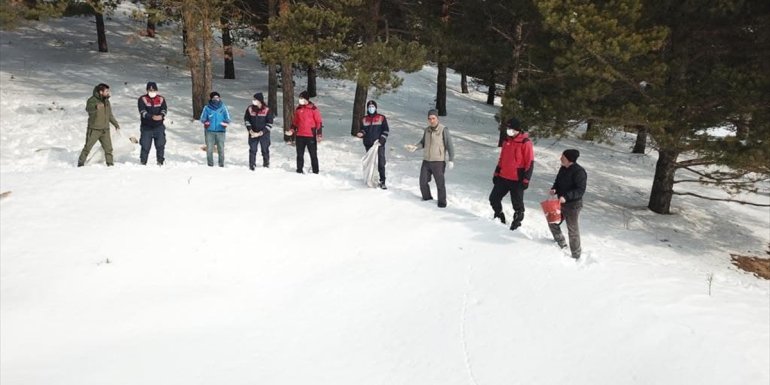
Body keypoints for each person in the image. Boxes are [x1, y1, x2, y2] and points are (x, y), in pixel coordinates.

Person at [489, 118, 534, 230]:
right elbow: (502, 159)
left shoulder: (525, 143)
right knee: (493, 199)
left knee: (517, 205)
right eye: (508, 128)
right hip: (503, 177)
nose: (509, 130)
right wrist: (496, 173)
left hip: (517, 180)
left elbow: (530, 162)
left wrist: (526, 179)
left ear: (517, 129)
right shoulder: (506, 141)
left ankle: (517, 222)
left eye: (511, 128)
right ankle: (499, 215)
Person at [405, 109, 455, 208]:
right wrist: (415, 147)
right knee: (422, 182)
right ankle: (427, 199)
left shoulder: (443, 130)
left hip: (438, 162)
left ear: (437, 118)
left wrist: (451, 159)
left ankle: (442, 203)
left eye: (433, 118)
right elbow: (423, 143)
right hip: (426, 161)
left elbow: (450, 145)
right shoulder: (426, 130)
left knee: (440, 184)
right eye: (429, 119)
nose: (431, 120)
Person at [548, 149, 587, 260]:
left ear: (569, 159)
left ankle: (576, 255)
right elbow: (557, 182)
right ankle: (561, 243)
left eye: (563, 157)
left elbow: (580, 190)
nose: (560, 158)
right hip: (560, 202)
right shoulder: (563, 168)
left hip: (573, 205)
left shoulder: (579, 172)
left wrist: (567, 197)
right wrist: (554, 189)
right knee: (552, 221)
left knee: (573, 231)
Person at [78, 83, 120, 167]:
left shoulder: (107, 101)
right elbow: (88, 109)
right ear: (101, 92)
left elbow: (109, 115)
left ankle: (110, 164)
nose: (108, 93)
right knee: (87, 148)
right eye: (106, 91)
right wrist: (95, 106)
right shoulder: (92, 100)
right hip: (94, 129)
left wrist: (115, 124)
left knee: (109, 149)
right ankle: (80, 163)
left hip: (105, 129)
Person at [286, 90, 323, 174]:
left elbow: (319, 122)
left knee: (313, 155)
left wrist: (319, 134)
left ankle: (315, 172)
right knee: (299, 155)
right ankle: (299, 170)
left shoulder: (313, 109)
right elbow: (295, 122)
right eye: (300, 98)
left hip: (310, 135)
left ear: (307, 99)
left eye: (302, 98)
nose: (300, 100)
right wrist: (291, 130)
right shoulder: (298, 109)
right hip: (300, 135)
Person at [356, 100, 390, 189]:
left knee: (381, 163)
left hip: (379, 144)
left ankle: (382, 181)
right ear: (367, 108)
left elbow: (386, 130)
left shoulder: (381, 118)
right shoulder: (364, 119)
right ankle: (371, 179)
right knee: (370, 163)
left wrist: (382, 140)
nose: (371, 108)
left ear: (375, 107)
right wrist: (361, 133)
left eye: (373, 106)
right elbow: (363, 130)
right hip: (369, 145)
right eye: (369, 107)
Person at [137, 82, 167, 165]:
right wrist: (151, 117)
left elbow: (164, 109)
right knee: (145, 145)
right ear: (147, 90)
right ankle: (143, 161)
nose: (152, 91)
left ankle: (160, 161)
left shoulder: (161, 99)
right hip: (146, 126)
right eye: (150, 90)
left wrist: (161, 115)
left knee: (160, 144)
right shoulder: (142, 99)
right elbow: (142, 111)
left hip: (159, 126)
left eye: (154, 90)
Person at [200, 91, 231, 167]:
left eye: (217, 97)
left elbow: (228, 118)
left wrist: (225, 123)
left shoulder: (223, 107)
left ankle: (221, 164)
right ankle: (210, 164)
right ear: (211, 99)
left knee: (221, 148)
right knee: (209, 149)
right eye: (214, 98)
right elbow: (202, 118)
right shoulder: (207, 108)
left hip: (221, 131)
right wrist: (206, 122)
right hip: (209, 131)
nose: (216, 99)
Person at [243, 92, 273, 169]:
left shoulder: (267, 110)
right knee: (253, 149)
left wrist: (261, 133)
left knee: (265, 149)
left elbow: (269, 124)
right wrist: (250, 130)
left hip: (264, 134)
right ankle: (252, 164)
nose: (253, 101)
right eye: (253, 99)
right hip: (253, 132)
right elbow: (246, 120)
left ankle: (266, 163)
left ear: (260, 100)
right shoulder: (250, 109)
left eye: (255, 99)